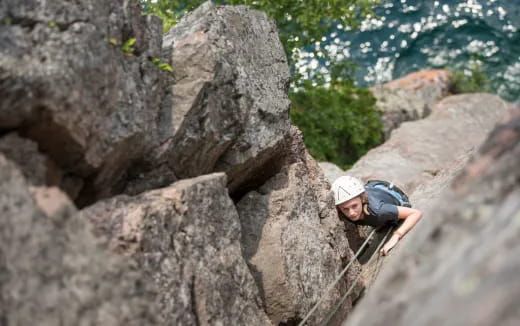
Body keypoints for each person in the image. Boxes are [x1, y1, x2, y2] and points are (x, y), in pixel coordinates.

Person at [331, 175, 423, 255]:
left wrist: (396, 236)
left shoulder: (378, 211)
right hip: (374, 189)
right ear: (339, 208)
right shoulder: (340, 213)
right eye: (345, 209)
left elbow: (415, 213)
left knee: (378, 217)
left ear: (362, 199)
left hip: (394, 197)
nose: (351, 213)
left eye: (354, 206)